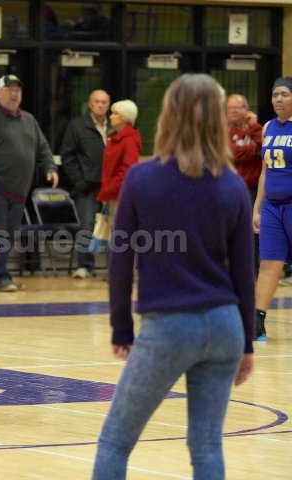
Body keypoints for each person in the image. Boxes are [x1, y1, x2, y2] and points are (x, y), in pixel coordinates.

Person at [92, 74, 255, 479]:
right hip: (226, 325)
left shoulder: (141, 179)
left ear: (168, 115)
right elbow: (244, 272)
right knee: (207, 444)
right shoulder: (233, 184)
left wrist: (121, 327)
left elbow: (120, 259)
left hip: (169, 326)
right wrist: (247, 342)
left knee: (115, 440)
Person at [0, 74, 58, 292]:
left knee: (10, 233)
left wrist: (50, 167)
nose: (13, 94)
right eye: (9, 90)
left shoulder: (29, 120)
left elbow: (43, 148)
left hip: (20, 190)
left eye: (17, 90)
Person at [251, 76, 292, 341]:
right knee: (268, 263)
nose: (278, 99)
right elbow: (265, 172)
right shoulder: (268, 127)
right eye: (275, 94)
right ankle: (257, 322)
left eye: (284, 94)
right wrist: (257, 208)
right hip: (271, 206)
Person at [61, 89, 112, 279]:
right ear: (90, 104)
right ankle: (85, 266)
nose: (100, 105)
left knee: (113, 226)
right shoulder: (77, 126)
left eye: (104, 102)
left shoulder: (114, 126)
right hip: (87, 187)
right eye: (97, 101)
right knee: (86, 226)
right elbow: (67, 156)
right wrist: (79, 181)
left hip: (110, 186)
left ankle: (113, 268)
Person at [227, 94, 263, 273]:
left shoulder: (257, 129)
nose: (233, 111)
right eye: (230, 108)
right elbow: (231, 153)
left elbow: (263, 148)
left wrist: (254, 129)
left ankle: (253, 268)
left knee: (253, 228)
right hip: (230, 188)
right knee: (231, 228)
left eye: (237, 107)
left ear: (246, 110)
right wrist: (252, 149)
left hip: (253, 188)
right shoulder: (223, 130)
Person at [97, 100, 141, 221]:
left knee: (116, 228)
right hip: (112, 194)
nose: (111, 116)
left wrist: (109, 189)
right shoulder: (117, 138)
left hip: (118, 195)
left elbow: (127, 169)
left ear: (125, 118)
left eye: (115, 114)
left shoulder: (128, 140)